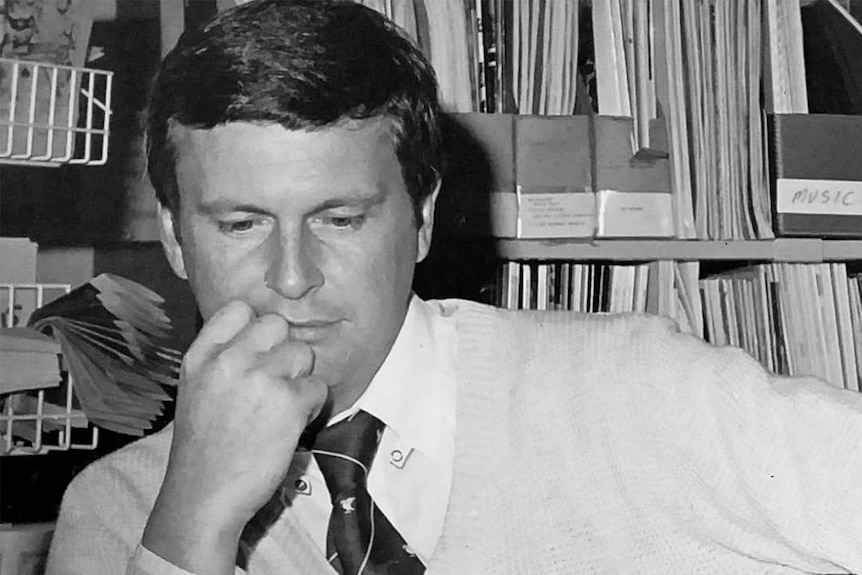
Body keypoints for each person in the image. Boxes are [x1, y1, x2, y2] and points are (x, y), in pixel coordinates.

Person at [45, 1, 862, 574]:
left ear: (423, 219)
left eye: (340, 218)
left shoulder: (638, 386)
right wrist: (195, 522)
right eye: (240, 224)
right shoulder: (118, 512)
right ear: (173, 235)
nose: (291, 278)